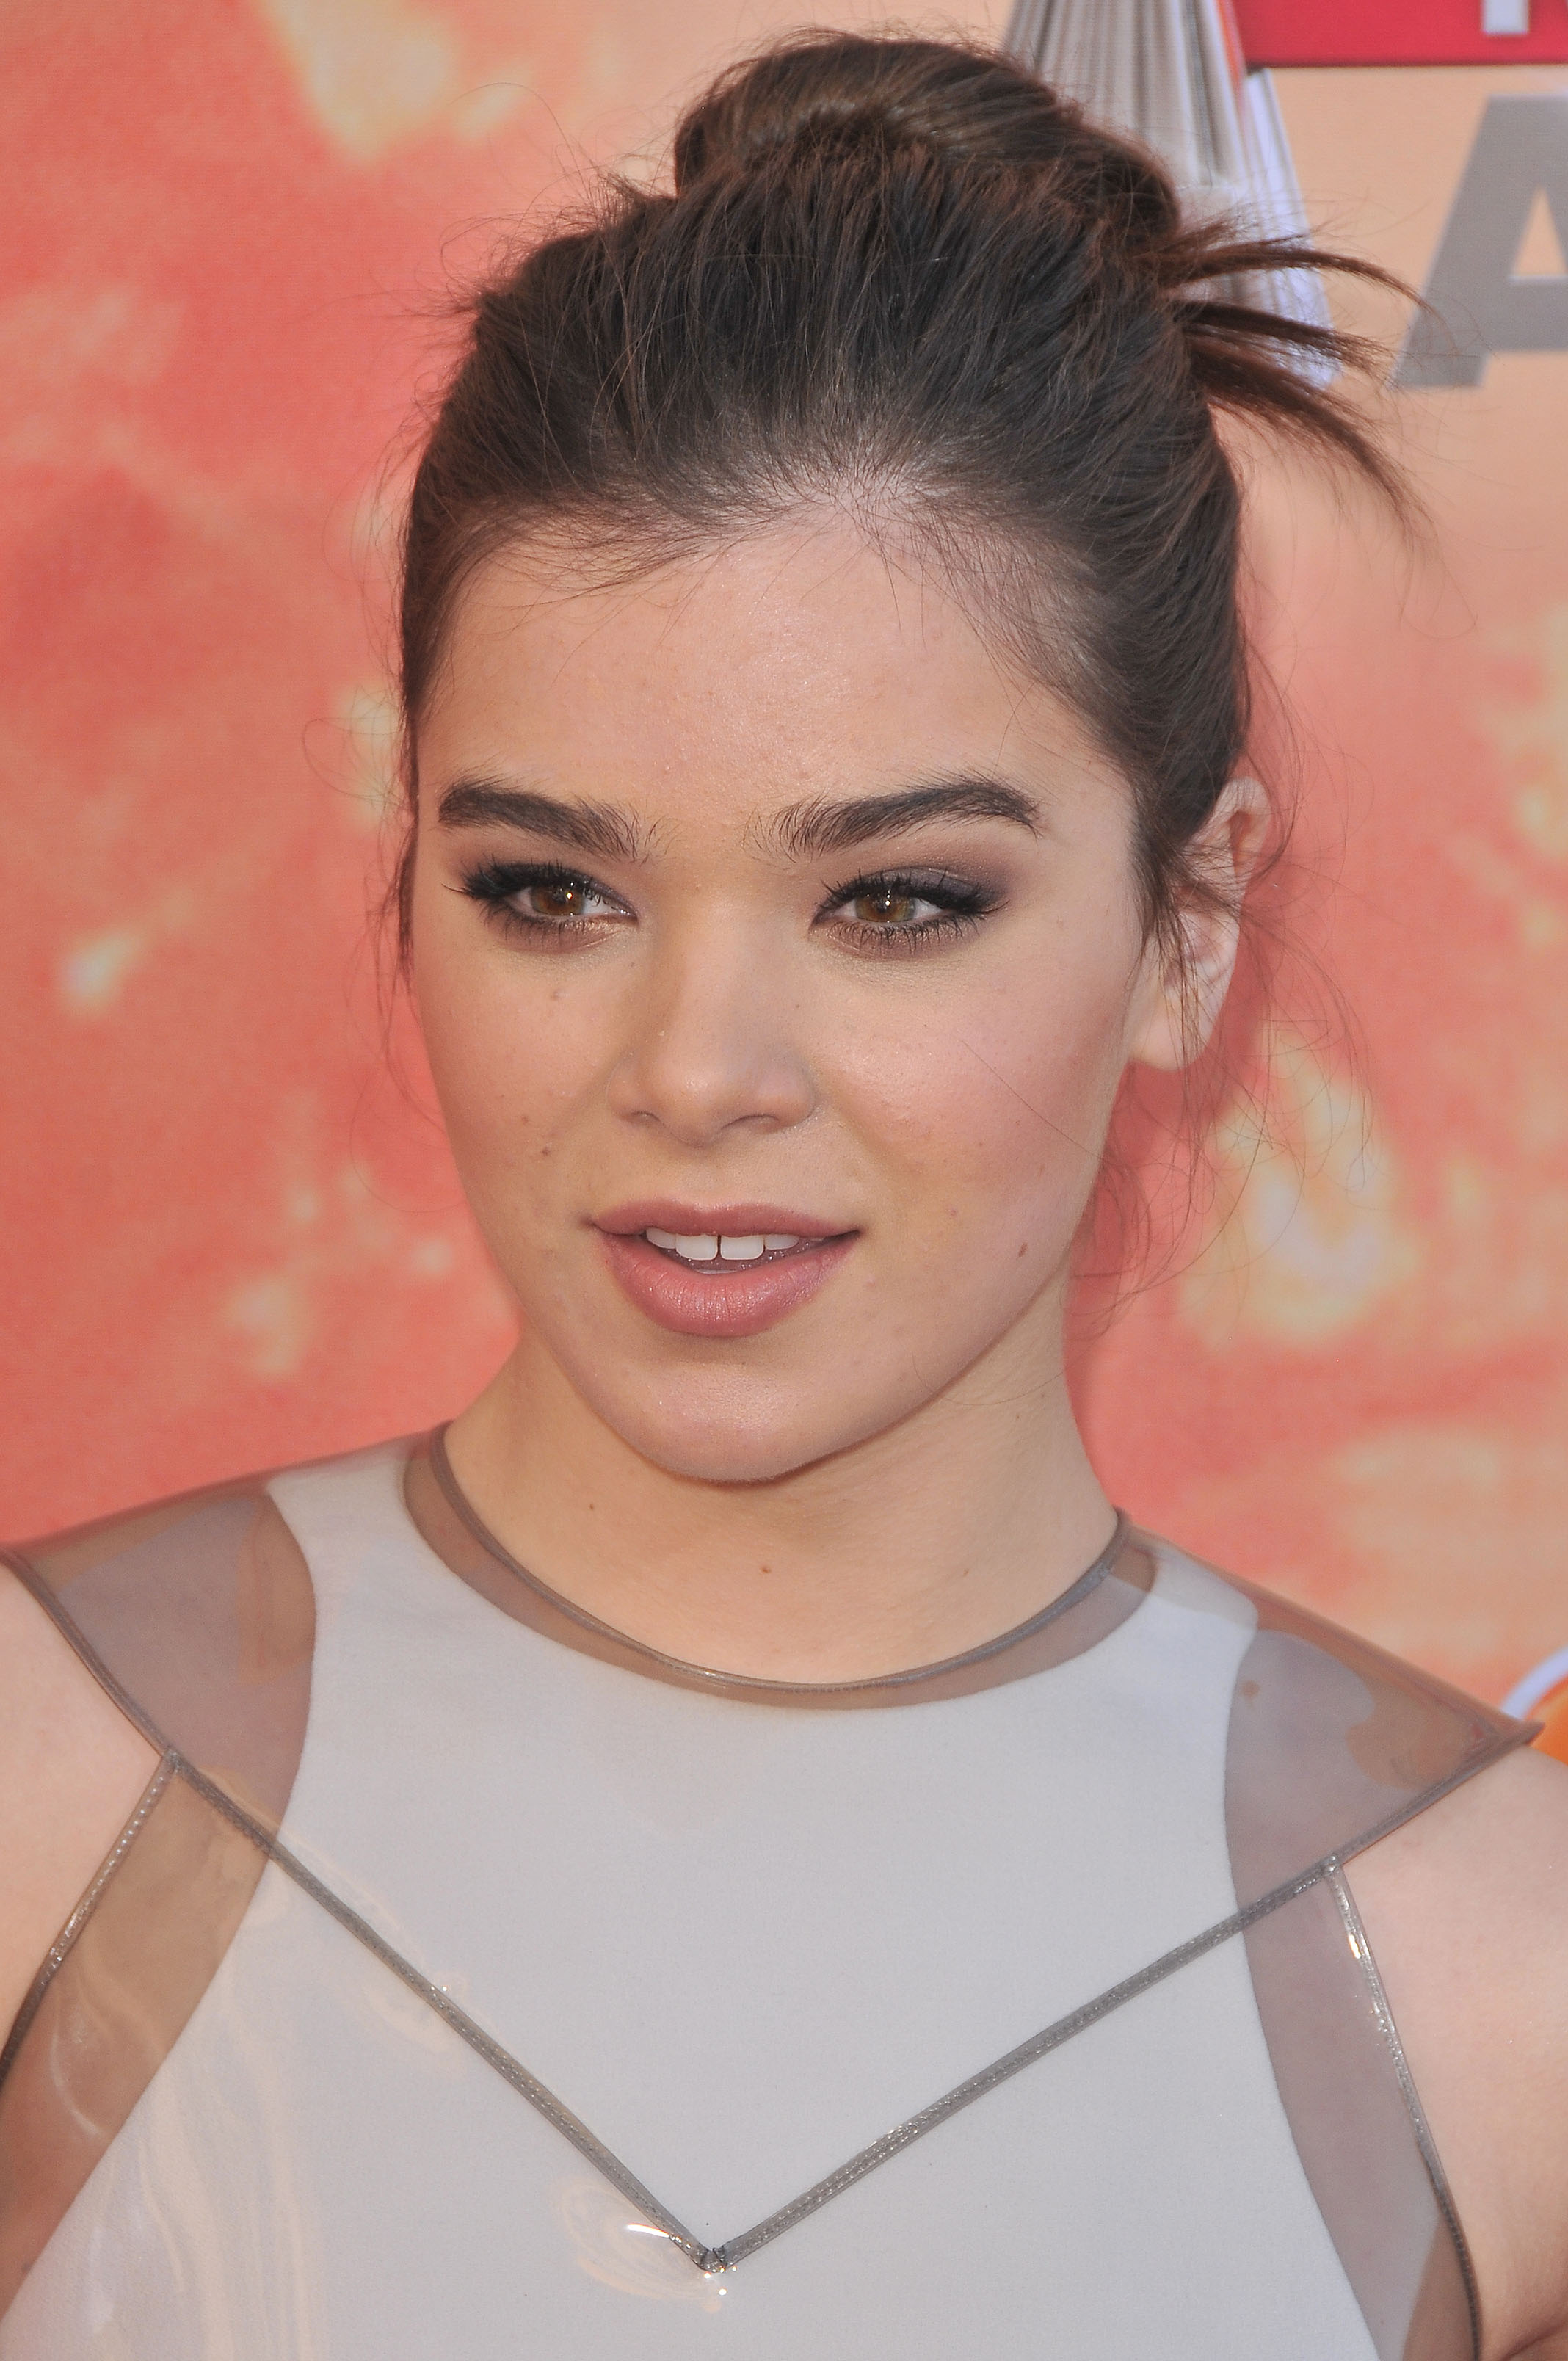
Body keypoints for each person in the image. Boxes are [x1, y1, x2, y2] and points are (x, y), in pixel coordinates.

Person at [1, 30, 1564, 2360]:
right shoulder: (41, 1782)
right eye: (551, 891)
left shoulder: (1501, 1980)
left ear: (1189, 923)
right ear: (407, 870)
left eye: (897, 902)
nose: (695, 1073)